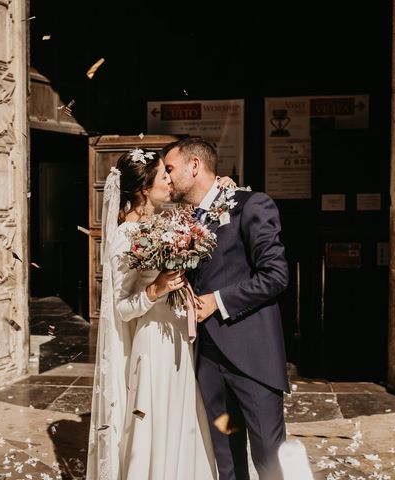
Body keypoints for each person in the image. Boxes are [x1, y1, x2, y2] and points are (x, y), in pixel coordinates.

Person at [87, 148, 234, 480]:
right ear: (144, 188)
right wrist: (156, 290)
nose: (170, 180)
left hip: (179, 335)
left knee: (181, 418)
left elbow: (212, 213)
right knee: (157, 418)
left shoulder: (165, 221)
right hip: (153, 340)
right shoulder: (126, 235)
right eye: (163, 176)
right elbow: (121, 308)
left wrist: (225, 189)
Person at [164, 137, 290, 480]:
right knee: (226, 457)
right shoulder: (184, 220)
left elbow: (276, 276)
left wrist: (217, 301)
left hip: (252, 359)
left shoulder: (251, 205)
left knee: (268, 456)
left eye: (170, 169)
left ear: (194, 166)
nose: (166, 178)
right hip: (209, 361)